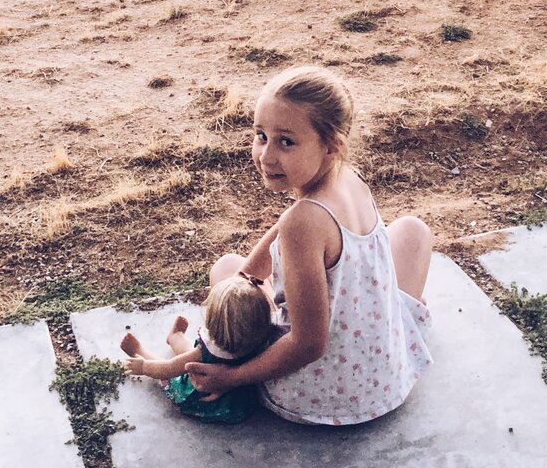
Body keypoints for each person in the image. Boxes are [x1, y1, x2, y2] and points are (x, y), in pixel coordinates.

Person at [184, 65, 433, 426]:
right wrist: (250, 271)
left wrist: (233, 377)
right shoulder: (348, 178)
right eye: (260, 135)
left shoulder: (303, 223)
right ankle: (393, 332)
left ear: (331, 145)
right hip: (385, 380)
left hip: (319, 396)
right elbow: (288, 225)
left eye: (286, 141)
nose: (267, 156)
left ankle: (246, 362)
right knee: (411, 230)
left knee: (224, 269)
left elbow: (308, 344)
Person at [121, 272, 273, 424]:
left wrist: (143, 368)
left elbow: (168, 368)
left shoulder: (205, 351)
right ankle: (175, 337)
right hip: (238, 406)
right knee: (194, 354)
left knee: (179, 369)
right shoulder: (257, 340)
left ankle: (140, 351)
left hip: (207, 401)